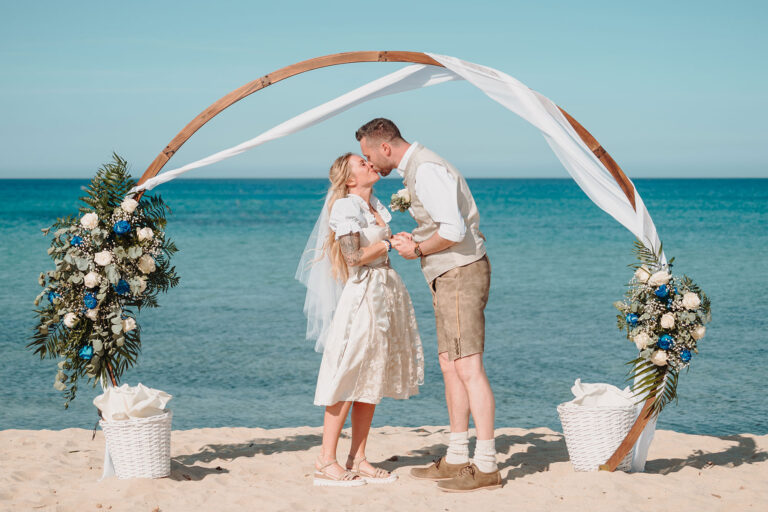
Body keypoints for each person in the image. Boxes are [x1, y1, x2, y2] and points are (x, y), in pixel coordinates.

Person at [356, 118, 501, 492]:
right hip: (449, 274)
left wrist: (416, 249)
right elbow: (442, 224)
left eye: (369, 154)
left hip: (460, 273)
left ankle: (485, 464)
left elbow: (453, 231)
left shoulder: (427, 170)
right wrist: (417, 238)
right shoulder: (419, 169)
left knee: (468, 365)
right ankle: (456, 456)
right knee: (450, 363)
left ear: (384, 147)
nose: (369, 163)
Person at [297, 152, 424, 487]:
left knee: (371, 375)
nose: (370, 164)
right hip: (363, 294)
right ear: (350, 179)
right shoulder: (346, 207)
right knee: (348, 371)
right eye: (361, 163)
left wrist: (396, 243)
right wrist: (386, 247)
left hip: (384, 291)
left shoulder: (374, 206)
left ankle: (358, 457)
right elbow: (352, 257)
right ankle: (326, 460)